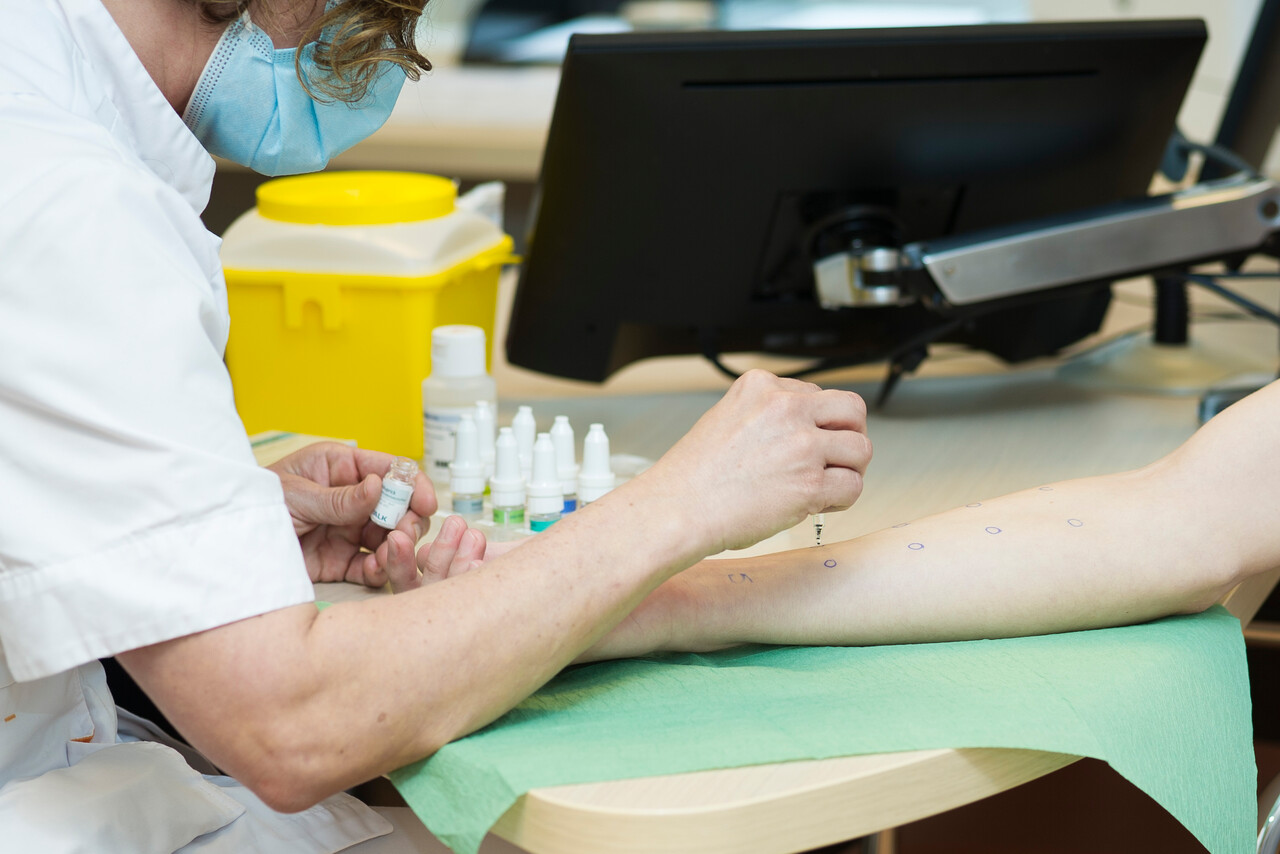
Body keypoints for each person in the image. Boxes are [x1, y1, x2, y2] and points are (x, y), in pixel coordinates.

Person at [0, 1, 871, 851]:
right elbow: (292, 726)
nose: (384, 60)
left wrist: (205, 527)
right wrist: (683, 504)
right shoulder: (70, 201)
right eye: (379, 20)